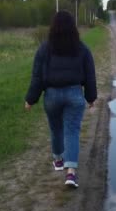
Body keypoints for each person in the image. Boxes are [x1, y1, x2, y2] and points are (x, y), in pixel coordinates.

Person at [24, 11, 97, 188]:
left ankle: (58, 160)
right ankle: (71, 173)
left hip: (52, 95)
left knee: (56, 129)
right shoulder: (82, 49)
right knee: (72, 131)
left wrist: (30, 99)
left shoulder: (44, 48)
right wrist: (91, 98)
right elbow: (90, 76)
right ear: (73, 28)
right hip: (74, 94)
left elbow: (37, 77)